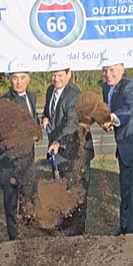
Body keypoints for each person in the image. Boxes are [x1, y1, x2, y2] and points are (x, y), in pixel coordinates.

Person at [101, 55, 133, 235]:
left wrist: (112, 119)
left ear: (122, 69)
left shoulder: (130, 86)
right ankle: (124, 228)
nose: (108, 74)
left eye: (112, 70)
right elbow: (108, 111)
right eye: (105, 70)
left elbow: (129, 109)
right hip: (123, 146)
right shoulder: (106, 87)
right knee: (125, 189)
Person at [42, 62, 94, 235]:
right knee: (62, 187)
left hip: (76, 151)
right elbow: (49, 112)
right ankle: (65, 221)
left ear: (69, 74)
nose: (56, 79)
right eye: (53, 75)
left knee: (76, 190)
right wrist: (45, 118)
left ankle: (77, 231)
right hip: (60, 152)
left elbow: (71, 123)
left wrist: (58, 142)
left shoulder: (75, 96)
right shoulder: (51, 90)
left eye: (60, 75)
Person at [0, 58, 38, 240]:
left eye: (22, 77)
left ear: (28, 78)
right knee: (11, 204)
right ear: (9, 80)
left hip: (27, 161)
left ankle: (27, 235)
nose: (19, 82)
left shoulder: (32, 97)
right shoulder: (4, 102)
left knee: (28, 200)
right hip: (9, 162)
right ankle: (14, 239)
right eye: (15, 78)